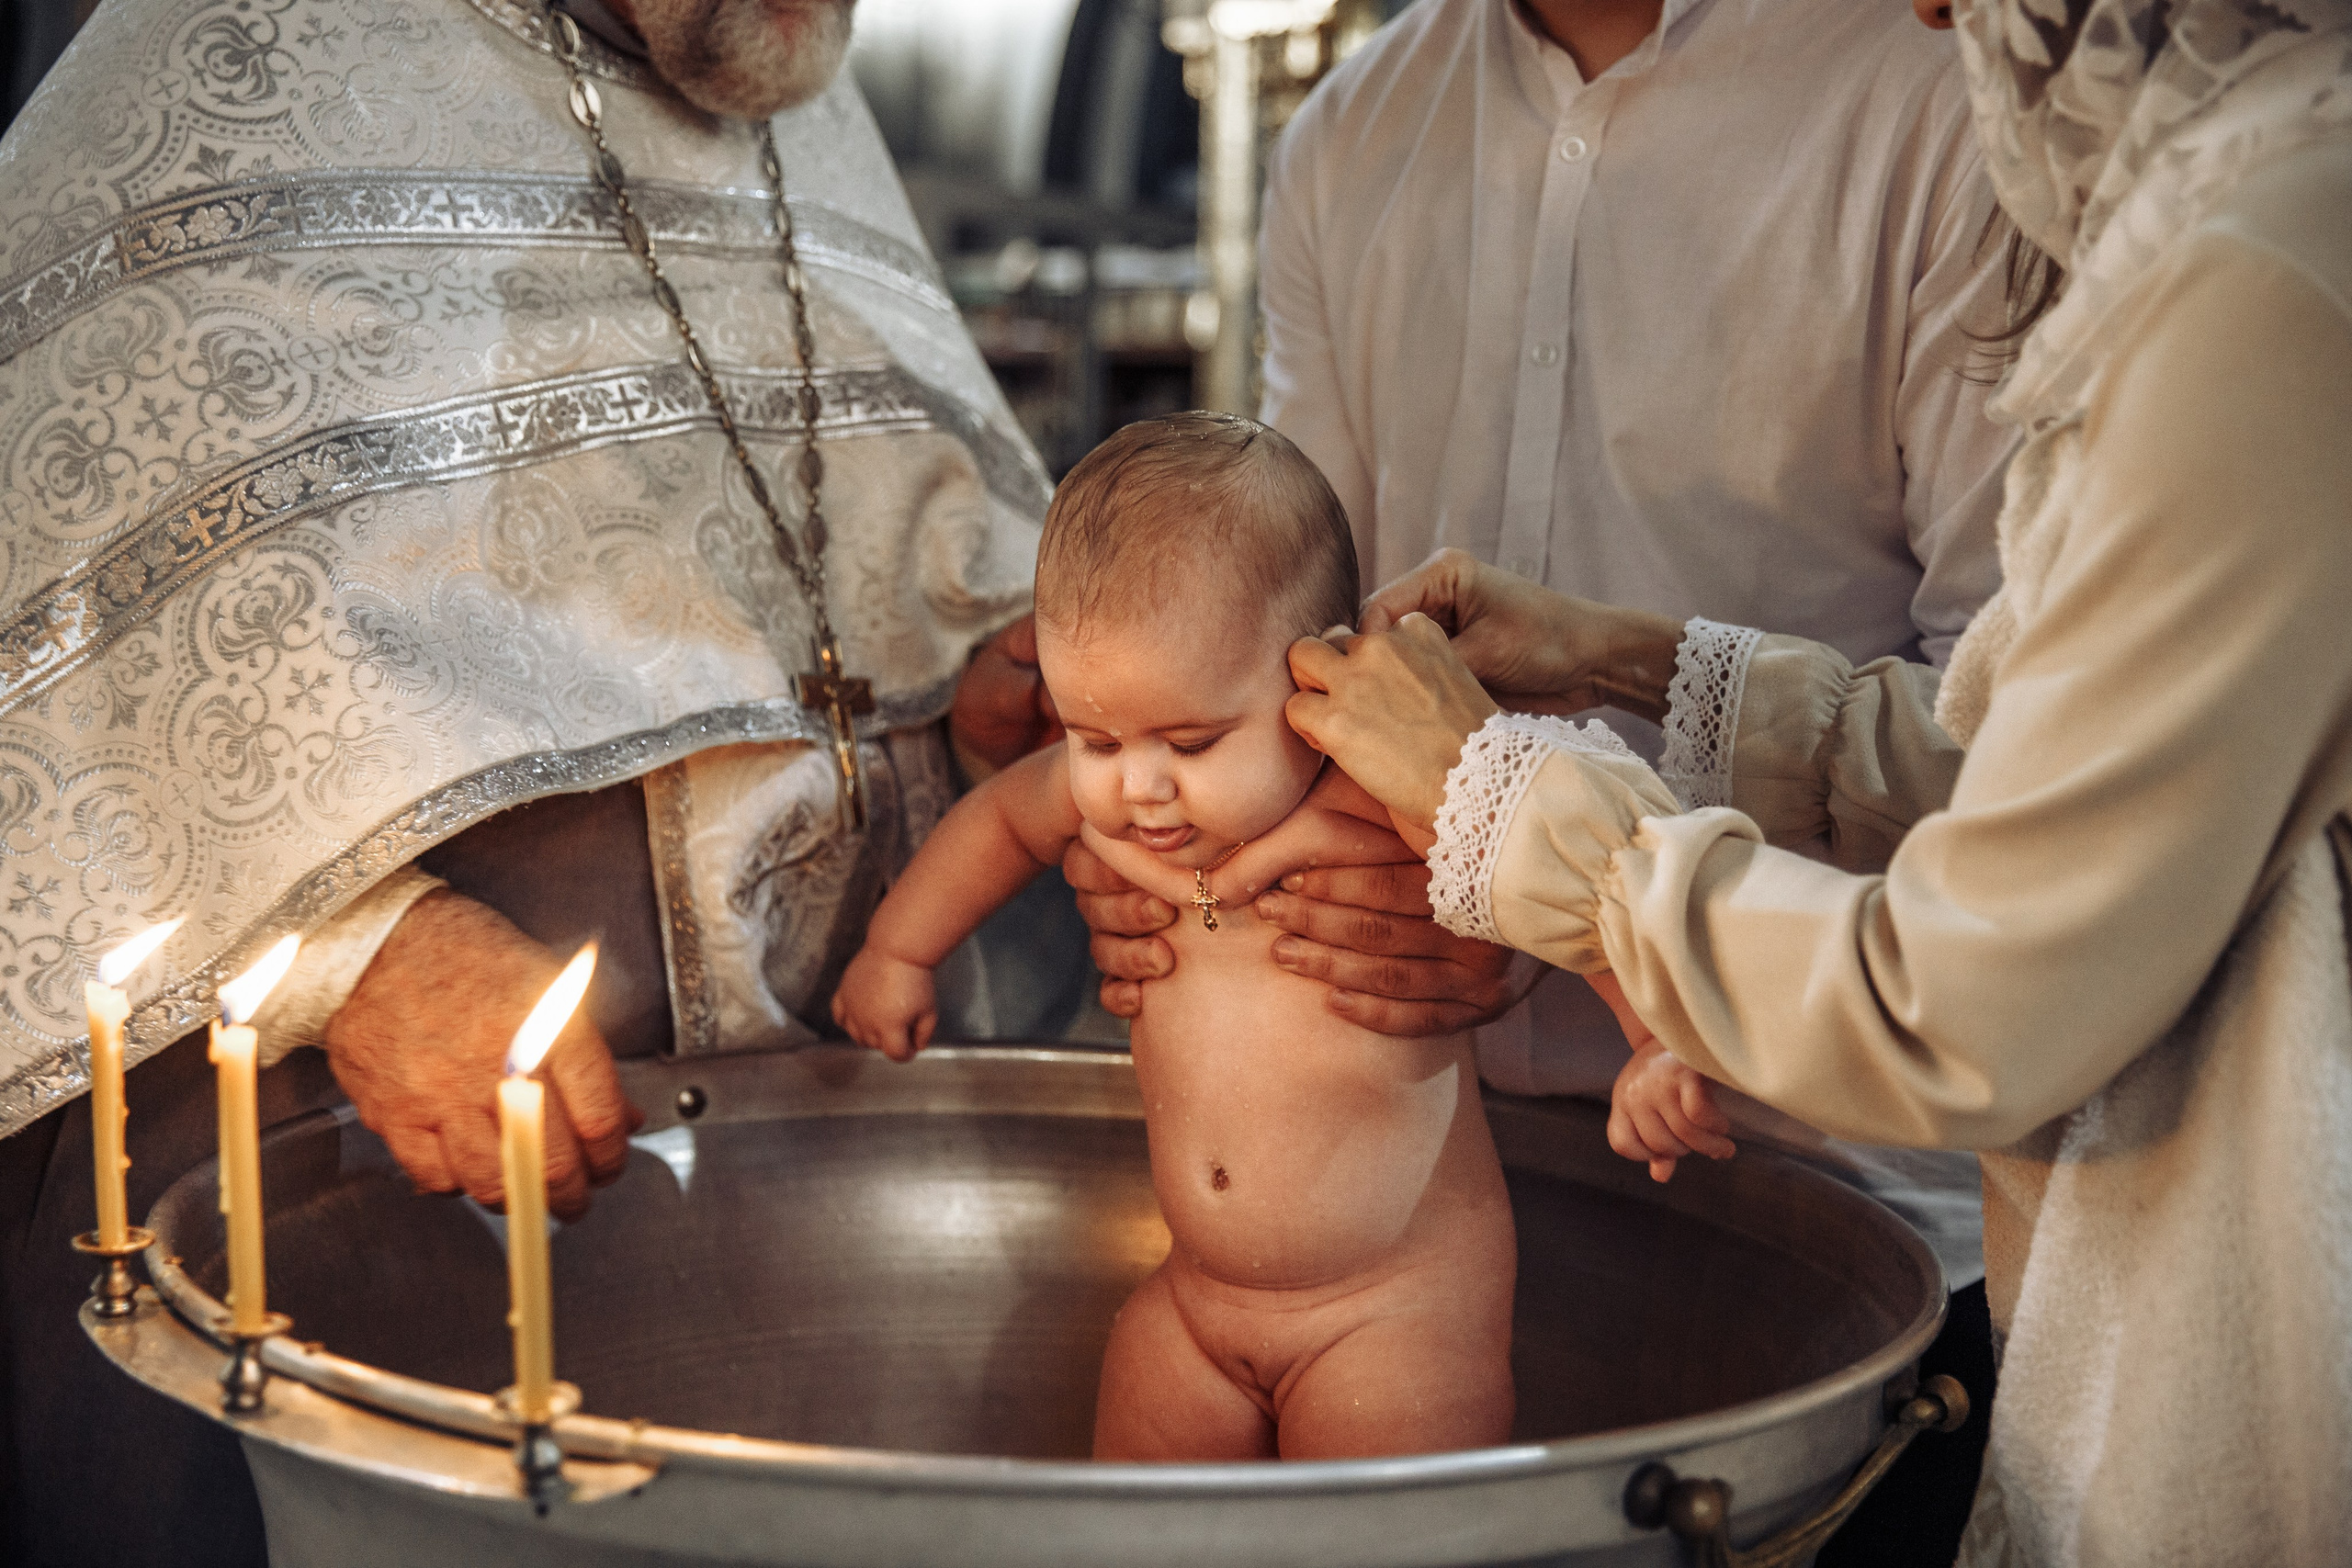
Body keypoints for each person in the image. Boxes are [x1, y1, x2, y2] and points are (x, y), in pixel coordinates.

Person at [1282, 0, 2352, 1557]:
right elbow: (2021, 762)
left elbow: (1963, 1001)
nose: (1927, 7)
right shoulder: (2237, 207)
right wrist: (1630, 658)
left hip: (2092, 1226)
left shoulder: (2267, 261)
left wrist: (1499, 798)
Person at [0, 0, 1068, 1560]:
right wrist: (351, 963)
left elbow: (887, 531)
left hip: (797, 1240)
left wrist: (968, 708)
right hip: (325, 1211)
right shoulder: (230, 66)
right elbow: (52, 637)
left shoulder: (787, 87)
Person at [835, 413, 1515, 1461]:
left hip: (1390, 1306)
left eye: (1191, 743)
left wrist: (1648, 1038)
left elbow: (1564, 871)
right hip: (1196, 1303)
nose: (1135, 787)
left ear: (1318, 682)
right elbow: (1004, 821)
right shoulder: (1110, 789)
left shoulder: (1385, 801)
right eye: (1093, 737)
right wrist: (897, 951)